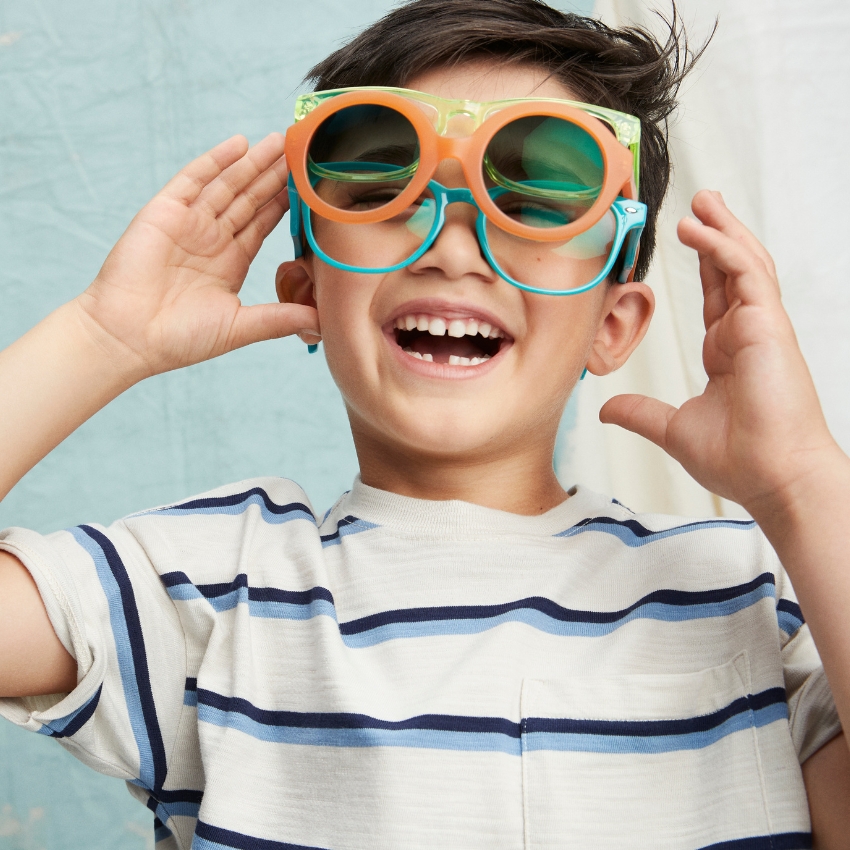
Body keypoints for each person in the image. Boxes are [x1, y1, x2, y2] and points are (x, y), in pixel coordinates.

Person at [1, 0, 849, 847]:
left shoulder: (747, 603)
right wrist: (102, 338)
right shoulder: (212, 592)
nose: (450, 246)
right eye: (384, 189)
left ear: (613, 324)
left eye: (538, 198)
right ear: (306, 294)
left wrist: (807, 484)